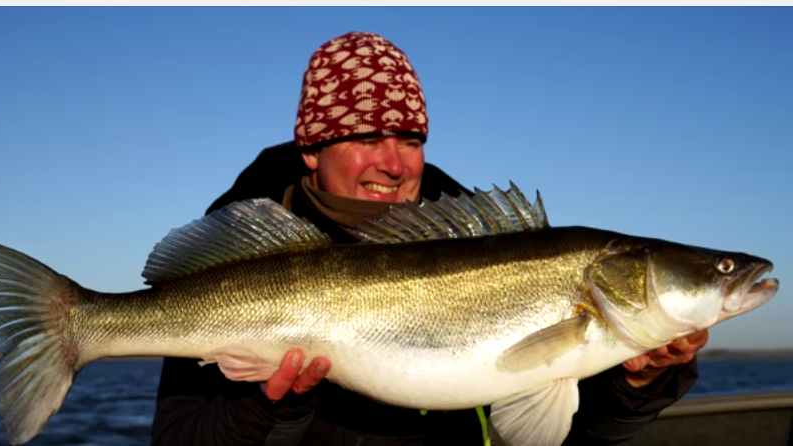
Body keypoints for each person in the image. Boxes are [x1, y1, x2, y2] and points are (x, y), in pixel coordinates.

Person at [151, 31, 708, 446]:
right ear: (312, 150)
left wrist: (642, 386)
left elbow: (583, 435)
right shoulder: (237, 274)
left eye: (411, 138)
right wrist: (272, 407)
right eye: (366, 136)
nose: (393, 164)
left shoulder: (492, 248)